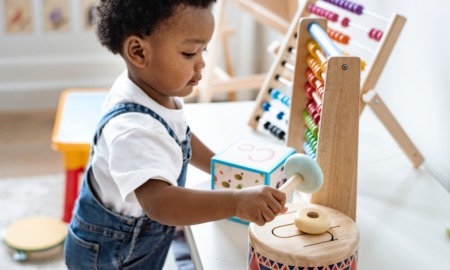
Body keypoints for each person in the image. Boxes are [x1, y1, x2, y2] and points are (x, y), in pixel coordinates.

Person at [64, 1, 287, 269]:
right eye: (189, 53)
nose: (202, 63)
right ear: (138, 52)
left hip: (137, 239)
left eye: (203, 50)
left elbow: (181, 138)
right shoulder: (133, 129)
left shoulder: (155, 91)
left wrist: (221, 167)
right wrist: (236, 203)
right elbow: (161, 203)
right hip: (110, 253)